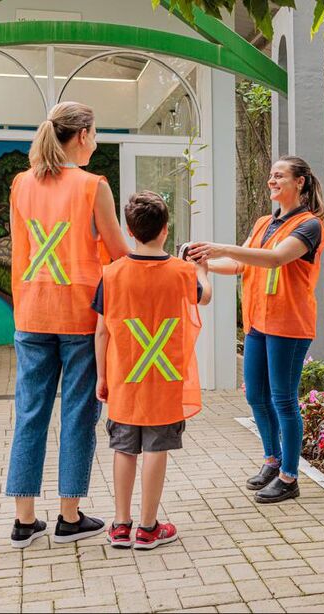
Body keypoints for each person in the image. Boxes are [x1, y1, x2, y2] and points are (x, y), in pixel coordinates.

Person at [6, 101, 130, 549]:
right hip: (80, 315)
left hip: (32, 312)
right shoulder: (92, 185)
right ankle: (69, 516)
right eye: (95, 134)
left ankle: (24, 521)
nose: (95, 142)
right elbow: (117, 251)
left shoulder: (21, 184)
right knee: (79, 413)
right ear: (81, 136)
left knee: (30, 411)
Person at [190, 156, 324, 504]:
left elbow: (275, 259)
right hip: (258, 323)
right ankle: (272, 459)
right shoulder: (264, 222)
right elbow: (241, 263)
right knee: (255, 396)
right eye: (271, 175)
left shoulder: (310, 226)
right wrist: (204, 262)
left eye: (279, 176)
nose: (272, 181)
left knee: (283, 400)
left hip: (289, 324)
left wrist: (219, 246)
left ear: (299, 182)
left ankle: (289, 476)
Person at [94, 191, 210, 549]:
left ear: (129, 231)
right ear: (166, 229)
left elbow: (101, 331)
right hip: (165, 379)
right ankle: (148, 528)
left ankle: (120, 524)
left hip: (125, 379)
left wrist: (101, 376)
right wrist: (200, 266)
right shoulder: (182, 272)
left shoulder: (111, 274)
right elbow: (204, 296)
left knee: (124, 448)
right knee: (156, 448)